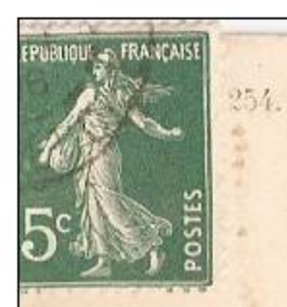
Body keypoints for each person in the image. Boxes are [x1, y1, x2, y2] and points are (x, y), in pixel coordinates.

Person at [36, 50, 183, 278]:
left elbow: (143, 123)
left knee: (110, 203)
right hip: (88, 154)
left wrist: (168, 133)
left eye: (99, 67)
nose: (95, 71)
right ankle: (103, 261)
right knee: (94, 204)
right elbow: (69, 123)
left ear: (110, 70)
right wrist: (49, 147)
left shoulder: (118, 95)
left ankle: (152, 244)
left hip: (104, 155)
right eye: (94, 67)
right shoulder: (91, 94)